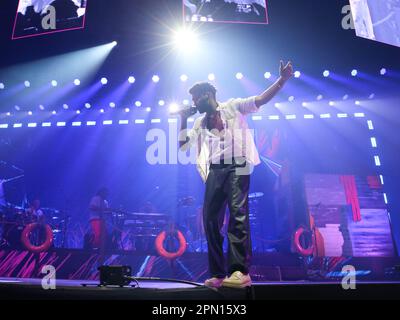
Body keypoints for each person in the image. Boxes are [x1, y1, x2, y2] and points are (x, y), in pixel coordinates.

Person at [179, 60, 293, 288]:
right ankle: (218, 273)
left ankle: (240, 272)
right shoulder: (200, 122)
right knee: (210, 220)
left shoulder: (232, 106)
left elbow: (260, 100)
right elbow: (183, 146)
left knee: (237, 216)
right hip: (215, 169)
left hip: (238, 164)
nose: (193, 102)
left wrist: (281, 80)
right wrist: (182, 119)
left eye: (196, 98)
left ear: (208, 94)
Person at [88, 187, 110, 252]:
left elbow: (106, 210)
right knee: (98, 234)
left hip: (103, 220)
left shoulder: (105, 202)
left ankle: (101, 249)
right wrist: (101, 209)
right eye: (106, 194)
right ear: (102, 193)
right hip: (95, 219)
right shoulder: (96, 198)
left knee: (105, 235)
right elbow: (92, 207)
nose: (107, 195)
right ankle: (94, 249)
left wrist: (109, 212)